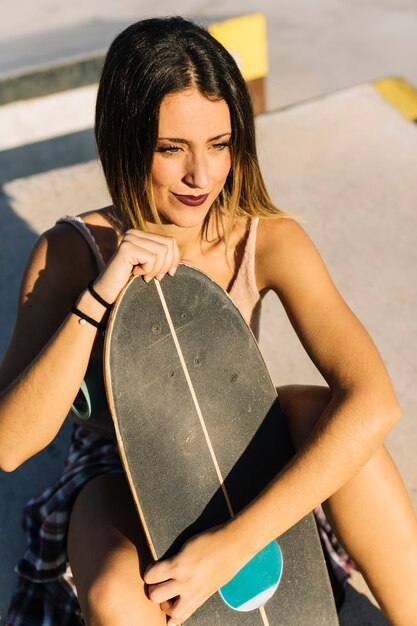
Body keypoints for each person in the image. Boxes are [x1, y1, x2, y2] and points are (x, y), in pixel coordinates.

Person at [1, 16, 417, 626]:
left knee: (330, 418)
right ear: (125, 139)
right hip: (115, 466)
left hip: (236, 438)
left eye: (219, 145)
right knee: (117, 600)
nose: (202, 176)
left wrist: (235, 543)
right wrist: (102, 292)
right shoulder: (71, 253)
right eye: (172, 149)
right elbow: (12, 444)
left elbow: (375, 402)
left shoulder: (266, 239)